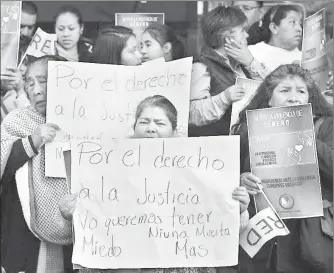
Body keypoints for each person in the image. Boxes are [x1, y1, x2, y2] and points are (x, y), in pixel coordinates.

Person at [59, 95, 250, 273]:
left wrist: (239, 210)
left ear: (174, 132)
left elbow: (223, 231)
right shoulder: (105, 170)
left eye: (159, 123)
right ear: (134, 129)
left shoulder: (201, 171)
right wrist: (72, 215)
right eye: (144, 122)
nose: (151, 128)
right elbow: (91, 227)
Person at [231, 64, 333, 273]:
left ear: (309, 99)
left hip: (310, 242)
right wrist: (241, 179)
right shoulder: (247, 131)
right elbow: (227, 179)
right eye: (285, 90)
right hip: (261, 241)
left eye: (301, 91)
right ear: (269, 99)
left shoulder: (327, 126)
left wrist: (304, 133)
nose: (294, 98)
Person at [1, 55, 74, 273]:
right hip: (24, 228)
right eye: (30, 83)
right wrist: (31, 141)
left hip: (77, 223)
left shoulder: (86, 118)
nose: (36, 90)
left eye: (44, 81)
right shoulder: (17, 120)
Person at [189, 6, 265, 137]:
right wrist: (225, 98)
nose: (247, 35)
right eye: (242, 30)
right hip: (219, 147)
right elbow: (194, 114)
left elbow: (272, 88)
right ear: (227, 37)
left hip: (249, 140)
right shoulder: (201, 66)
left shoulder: (243, 63)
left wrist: (251, 62)